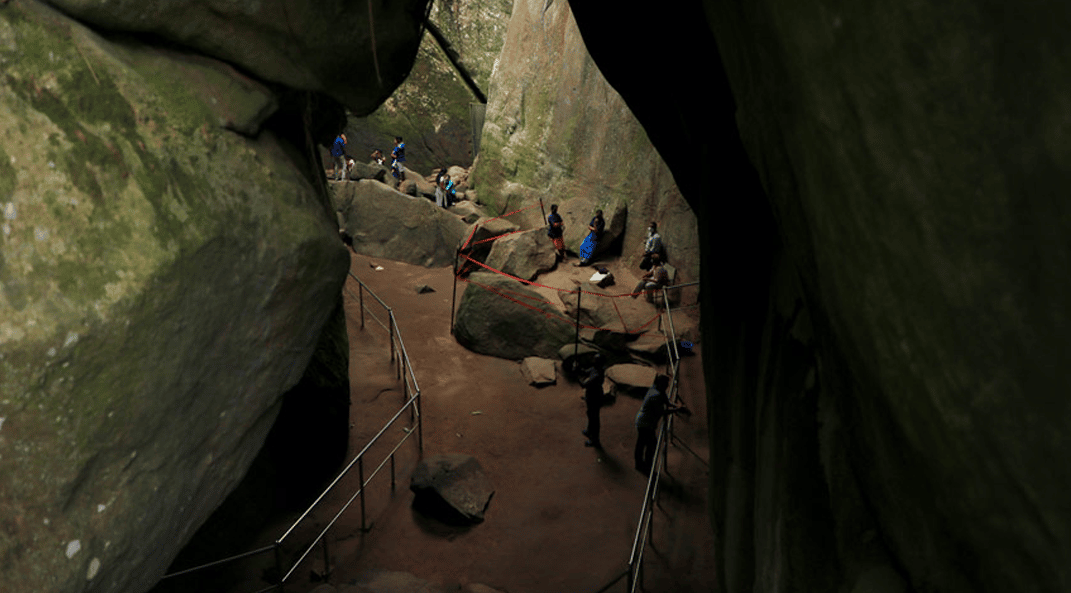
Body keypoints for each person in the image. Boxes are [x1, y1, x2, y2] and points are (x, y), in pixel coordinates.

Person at [634, 374, 686, 474]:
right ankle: (646, 467)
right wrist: (677, 409)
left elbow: (667, 402)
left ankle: (640, 465)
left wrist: (677, 407)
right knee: (650, 445)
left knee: (641, 444)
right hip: (646, 423)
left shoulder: (656, 390)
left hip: (643, 421)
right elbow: (661, 412)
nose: (667, 386)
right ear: (661, 384)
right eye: (666, 384)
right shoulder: (656, 395)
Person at [580, 353, 606, 448]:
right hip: (591, 396)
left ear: (599, 363)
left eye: (595, 360)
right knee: (590, 414)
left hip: (595, 397)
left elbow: (584, 384)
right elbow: (585, 372)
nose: (593, 361)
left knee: (594, 418)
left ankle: (595, 439)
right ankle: (589, 431)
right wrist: (578, 367)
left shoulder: (597, 375)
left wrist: (576, 376)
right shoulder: (595, 369)